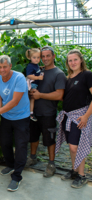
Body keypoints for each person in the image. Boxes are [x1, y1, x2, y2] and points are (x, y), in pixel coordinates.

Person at [0, 55, 30, 191]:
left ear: (10, 66)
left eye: (5, 66)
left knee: (21, 145)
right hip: (6, 117)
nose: (2, 69)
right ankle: (11, 165)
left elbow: (15, 101)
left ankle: (17, 177)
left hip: (22, 117)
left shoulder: (19, 78)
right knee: (4, 143)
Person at [55, 49, 92, 189]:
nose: (73, 62)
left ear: (81, 60)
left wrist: (86, 116)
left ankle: (82, 176)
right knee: (72, 147)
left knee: (76, 146)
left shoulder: (87, 75)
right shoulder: (69, 78)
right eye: (70, 60)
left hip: (80, 117)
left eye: (75, 59)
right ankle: (74, 171)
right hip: (68, 116)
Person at [28, 46, 67, 178]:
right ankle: (32, 157)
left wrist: (40, 95)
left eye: (47, 56)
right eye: (42, 56)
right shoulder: (38, 71)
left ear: (53, 56)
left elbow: (59, 95)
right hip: (34, 112)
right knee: (33, 137)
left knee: (49, 139)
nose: (44, 58)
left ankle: (51, 164)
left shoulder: (59, 74)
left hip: (48, 113)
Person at [25, 48, 43, 121]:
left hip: (35, 84)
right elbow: (29, 75)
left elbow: (36, 70)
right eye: (34, 57)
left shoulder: (36, 65)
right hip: (32, 85)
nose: (36, 59)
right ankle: (31, 113)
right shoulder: (30, 66)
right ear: (30, 57)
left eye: (38, 57)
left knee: (33, 99)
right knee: (32, 99)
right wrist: (38, 77)